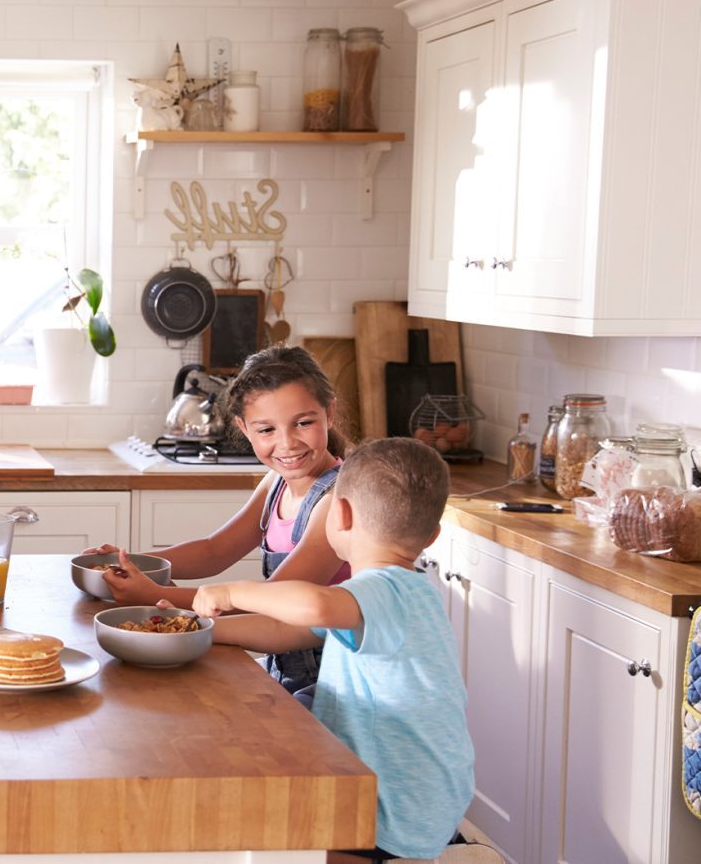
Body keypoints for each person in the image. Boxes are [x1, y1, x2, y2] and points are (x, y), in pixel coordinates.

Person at [190, 438, 474, 862]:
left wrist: (231, 591)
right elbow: (285, 631)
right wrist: (205, 631)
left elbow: (313, 604)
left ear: (339, 514)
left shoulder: (380, 591)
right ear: (433, 535)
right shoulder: (406, 595)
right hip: (428, 789)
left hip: (393, 801)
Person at [89, 345, 350, 703]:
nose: (287, 443)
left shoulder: (337, 499)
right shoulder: (275, 484)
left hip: (336, 684)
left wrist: (154, 596)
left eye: (303, 423)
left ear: (329, 412)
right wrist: (131, 562)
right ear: (244, 428)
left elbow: (273, 597)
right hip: (284, 667)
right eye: (267, 429)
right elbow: (214, 550)